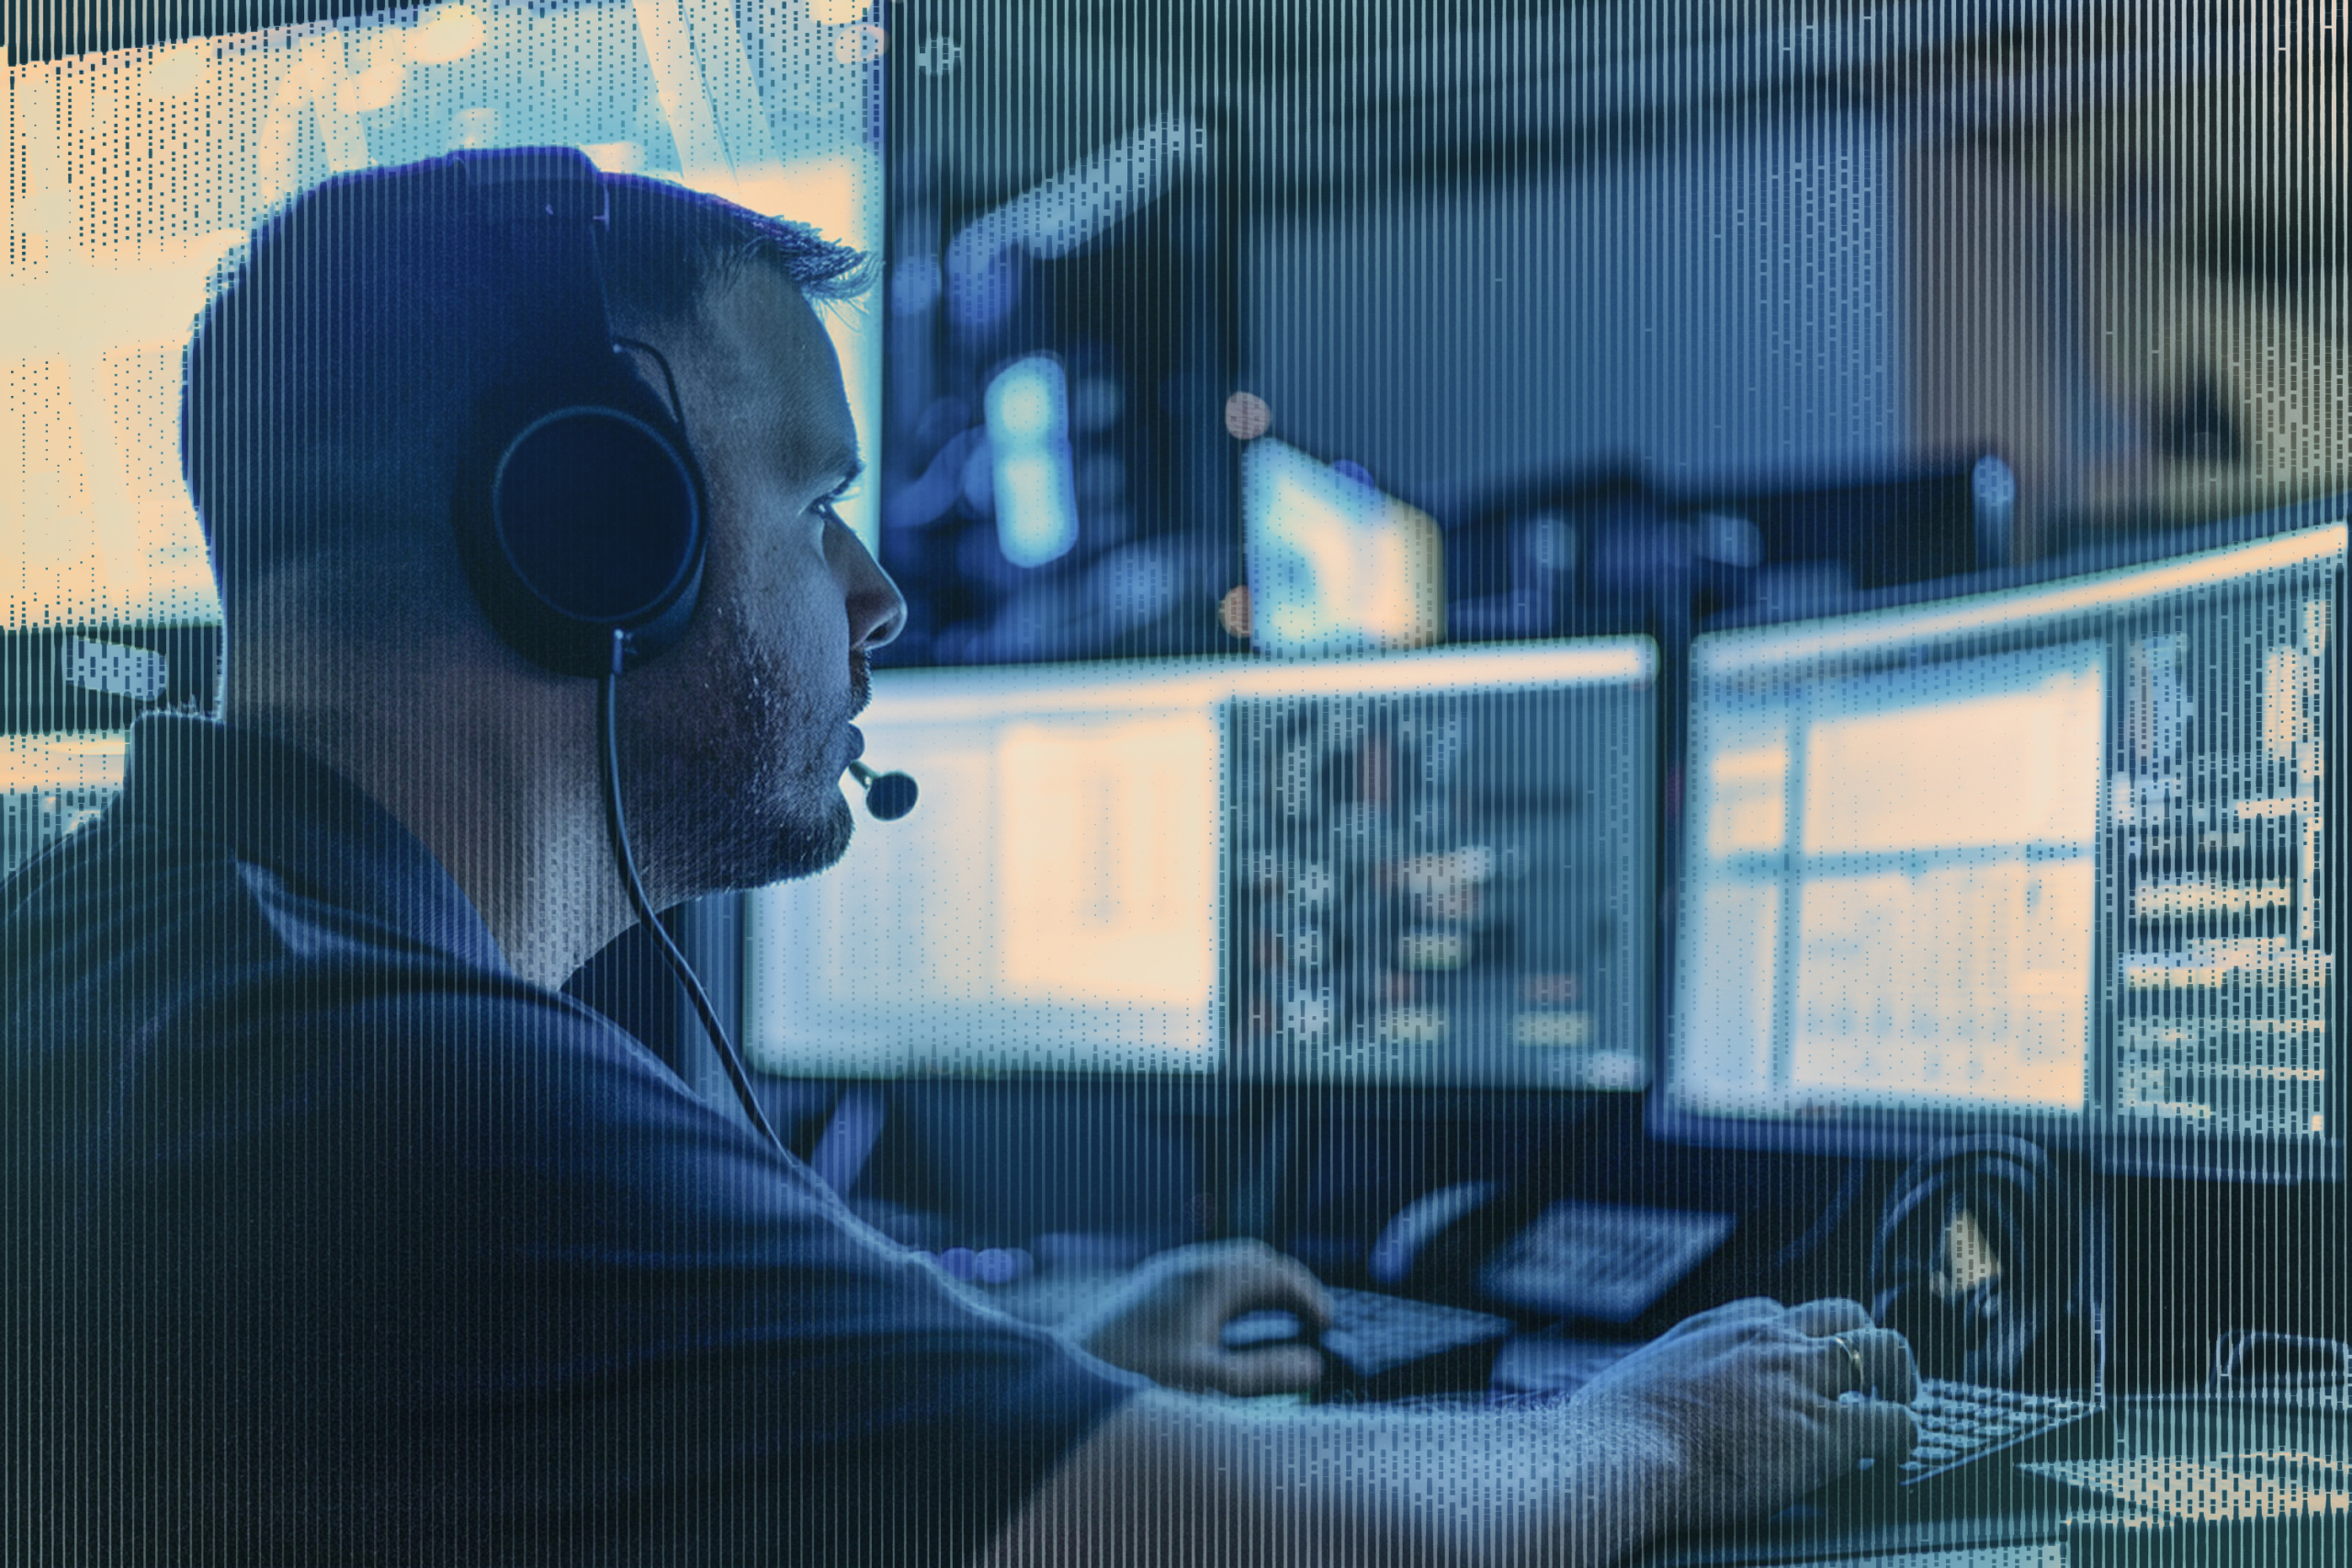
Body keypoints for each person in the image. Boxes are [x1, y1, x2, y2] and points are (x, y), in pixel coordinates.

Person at [0, 150, 1916, 1567]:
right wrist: (1644, 1424)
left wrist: (1004, 1350)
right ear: (592, 525)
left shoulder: (125, 951)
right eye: (812, 499)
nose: (878, 590)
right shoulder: (395, 1074)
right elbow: (1221, 1531)